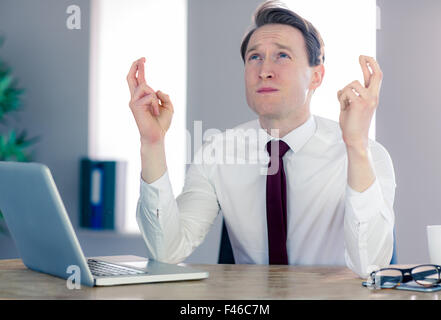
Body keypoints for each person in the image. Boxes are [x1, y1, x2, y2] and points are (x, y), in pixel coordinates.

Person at [126, 1, 396, 278]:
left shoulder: (368, 155)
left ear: (316, 76)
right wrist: (152, 143)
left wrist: (356, 146)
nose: (265, 69)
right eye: (255, 57)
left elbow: (371, 266)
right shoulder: (218, 152)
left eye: (282, 56)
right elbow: (167, 250)